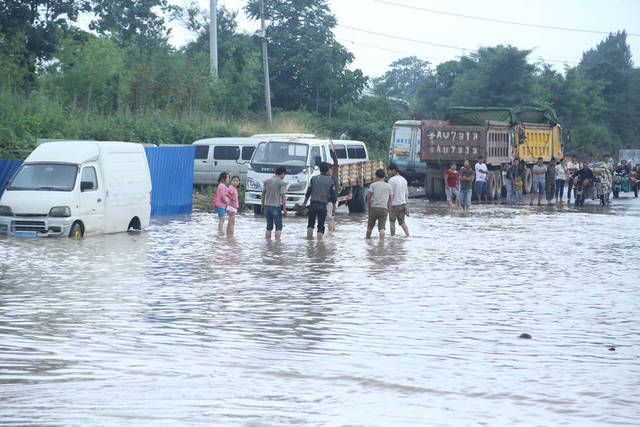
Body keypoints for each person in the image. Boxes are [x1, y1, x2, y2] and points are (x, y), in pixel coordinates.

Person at [301, 162, 337, 240]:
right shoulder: (331, 181)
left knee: (310, 225)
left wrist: (304, 203)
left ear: (320, 170)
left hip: (313, 205)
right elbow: (333, 196)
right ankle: (319, 245)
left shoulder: (313, 178)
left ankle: (309, 243)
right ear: (327, 170)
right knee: (320, 226)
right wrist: (334, 208)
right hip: (322, 206)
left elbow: (308, 193)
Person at [366, 169, 392, 241]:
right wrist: (388, 209)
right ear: (384, 177)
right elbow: (390, 200)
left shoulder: (373, 185)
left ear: (376, 176)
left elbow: (369, 198)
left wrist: (369, 207)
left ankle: (367, 241)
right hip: (383, 208)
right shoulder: (389, 186)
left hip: (373, 208)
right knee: (382, 228)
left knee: (370, 227)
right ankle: (381, 244)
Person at [261, 167, 287, 240]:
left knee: (269, 227)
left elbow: (263, 194)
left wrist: (262, 205)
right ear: (282, 174)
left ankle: (268, 243)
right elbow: (283, 195)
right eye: (284, 175)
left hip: (267, 206)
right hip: (275, 206)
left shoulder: (266, 181)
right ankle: (277, 244)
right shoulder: (281, 183)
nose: (284, 177)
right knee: (278, 226)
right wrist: (284, 207)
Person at [388, 164, 409, 237]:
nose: (389, 172)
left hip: (394, 204)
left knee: (392, 222)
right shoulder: (404, 180)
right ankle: (408, 236)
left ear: (393, 170)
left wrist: (388, 205)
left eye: (389, 171)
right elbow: (406, 194)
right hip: (403, 204)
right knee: (402, 222)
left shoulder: (391, 180)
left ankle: (392, 237)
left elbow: (391, 194)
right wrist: (406, 205)